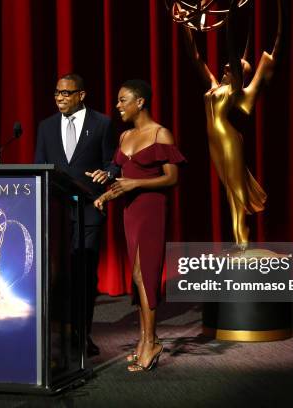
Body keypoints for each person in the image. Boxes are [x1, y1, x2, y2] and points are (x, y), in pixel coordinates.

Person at [93, 80, 186, 371]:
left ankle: (150, 343)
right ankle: (146, 338)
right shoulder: (124, 136)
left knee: (147, 275)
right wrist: (106, 196)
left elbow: (172, 178)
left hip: (151, 210)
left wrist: (136, 183)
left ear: (140, 102)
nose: (117, 106)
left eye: (123, 100)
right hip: (130, 213)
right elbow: (123, 180)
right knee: (136, 275)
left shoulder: (160, 134)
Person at [175, 0, 282, 249]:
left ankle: (243, 241)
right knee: (228, 190)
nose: (225, 65)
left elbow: (234, 53)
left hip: (229, 140)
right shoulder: (214, 86)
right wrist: (185, 26)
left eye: (234, 66)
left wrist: (231, 19)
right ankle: (238, 240)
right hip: (214, 141)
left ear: (239, 73)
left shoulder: (236, 92)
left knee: (237, 190)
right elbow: (195, 56)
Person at [35, 73, 118, 356]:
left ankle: (83, 334)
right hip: (56, 214)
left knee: (83, 274)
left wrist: (108, 174)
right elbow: (39, 167)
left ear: (81, 95)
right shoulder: (45, 127)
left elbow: (113, 163)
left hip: (89, 209)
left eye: (66, 93)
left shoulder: (102, 123)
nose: (60, 97)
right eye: (57, 92)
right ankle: (57, 333)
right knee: (58, 276)